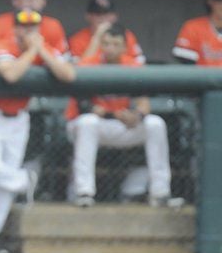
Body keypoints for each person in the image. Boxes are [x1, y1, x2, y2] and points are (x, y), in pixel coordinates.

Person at [0, 10, 75, 253]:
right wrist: (32, 51)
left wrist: (42, 52)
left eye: (33, 27)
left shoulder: (44, 49)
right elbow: (10, 75)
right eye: (23, 27)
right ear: (15, 28)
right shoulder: (3, 44)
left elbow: (69, 75)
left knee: (2, 187)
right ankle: (24, 180)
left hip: (19, 120)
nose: (28, 32)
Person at [66, 24, 175, 208]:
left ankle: (160, 192)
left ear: (125, 47)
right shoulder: (89, 64)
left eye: (116, 44)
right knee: (87, 122)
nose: (110, 48)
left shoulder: (133, 66)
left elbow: (144, 104)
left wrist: (137, 116)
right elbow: (81, 104)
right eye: (106, 44)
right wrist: (94, 109)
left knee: (155, 124)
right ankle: (83, 192)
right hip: (94, 126)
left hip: (123, 125)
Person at [68, 0, 145, 63]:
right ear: (88, 16)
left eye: (106, 14)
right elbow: (79, 69)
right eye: (98, 14)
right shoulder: (77, 39)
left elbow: (140, 64)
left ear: (115, 16)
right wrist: (97, 37)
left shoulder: (127, 36)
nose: (102, 18)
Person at [173, 0, 222, 66]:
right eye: (220, 0)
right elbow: (187, 64)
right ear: (210, 1)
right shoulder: (193, 27)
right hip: (204, 79)